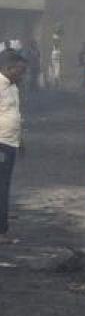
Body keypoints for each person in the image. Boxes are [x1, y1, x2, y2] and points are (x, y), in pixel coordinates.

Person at [0, 50, 27, 243]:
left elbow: (15, 114)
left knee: (5, 186)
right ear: (8, 68)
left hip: (11, 142)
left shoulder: (13, 87)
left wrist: (21, 139)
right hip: (1, 142)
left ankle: (3, 228)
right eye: (19, 70)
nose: (22, 74)